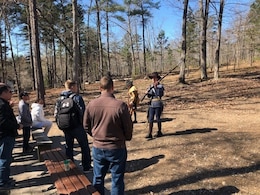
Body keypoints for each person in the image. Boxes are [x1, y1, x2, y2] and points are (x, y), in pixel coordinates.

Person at [83, 76, 133, 195]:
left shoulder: (91, 104)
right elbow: (128, 127)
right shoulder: (120, 105)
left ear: (100, 88)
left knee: (98, 177)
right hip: (116, 147)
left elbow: (85, 126)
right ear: (112, 88)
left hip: (98, 147)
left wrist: (96, 135)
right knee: (117, 179)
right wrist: (126, 138)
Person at [54, 80, 92, 172]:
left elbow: (56, 114)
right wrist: (86, 125)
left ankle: (68, 168)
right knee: (84, 146)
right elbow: (83, 112)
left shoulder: (59, 99)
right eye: (75, 86)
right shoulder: (77, 98)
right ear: (72, 87)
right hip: (78, 126)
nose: (77, 88)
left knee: (68, 147)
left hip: (66, 127)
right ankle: (86, 167)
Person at [0, 83, 22, 189]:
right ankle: (3, 183)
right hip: (5, 136)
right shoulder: (2, 105)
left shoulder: (4, 104)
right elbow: (3, 122)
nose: (11, 94)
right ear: (3, 93)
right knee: (5, 159)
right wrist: (17, 125)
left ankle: (5, 179)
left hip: (5, 135)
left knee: (5, 158)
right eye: (10, 92)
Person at [145, 72, 164, 139]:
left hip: (158, 103)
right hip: (152, 104)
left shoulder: (160, 86)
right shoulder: (150, 86)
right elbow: (149, 95)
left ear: (156, 78)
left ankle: (159, 131)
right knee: (150, 119)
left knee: (158, 118)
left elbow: (160, 94)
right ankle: (149, 133)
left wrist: (156, 87)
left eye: (153, 78)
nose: (152, 79)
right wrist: (147, 92)